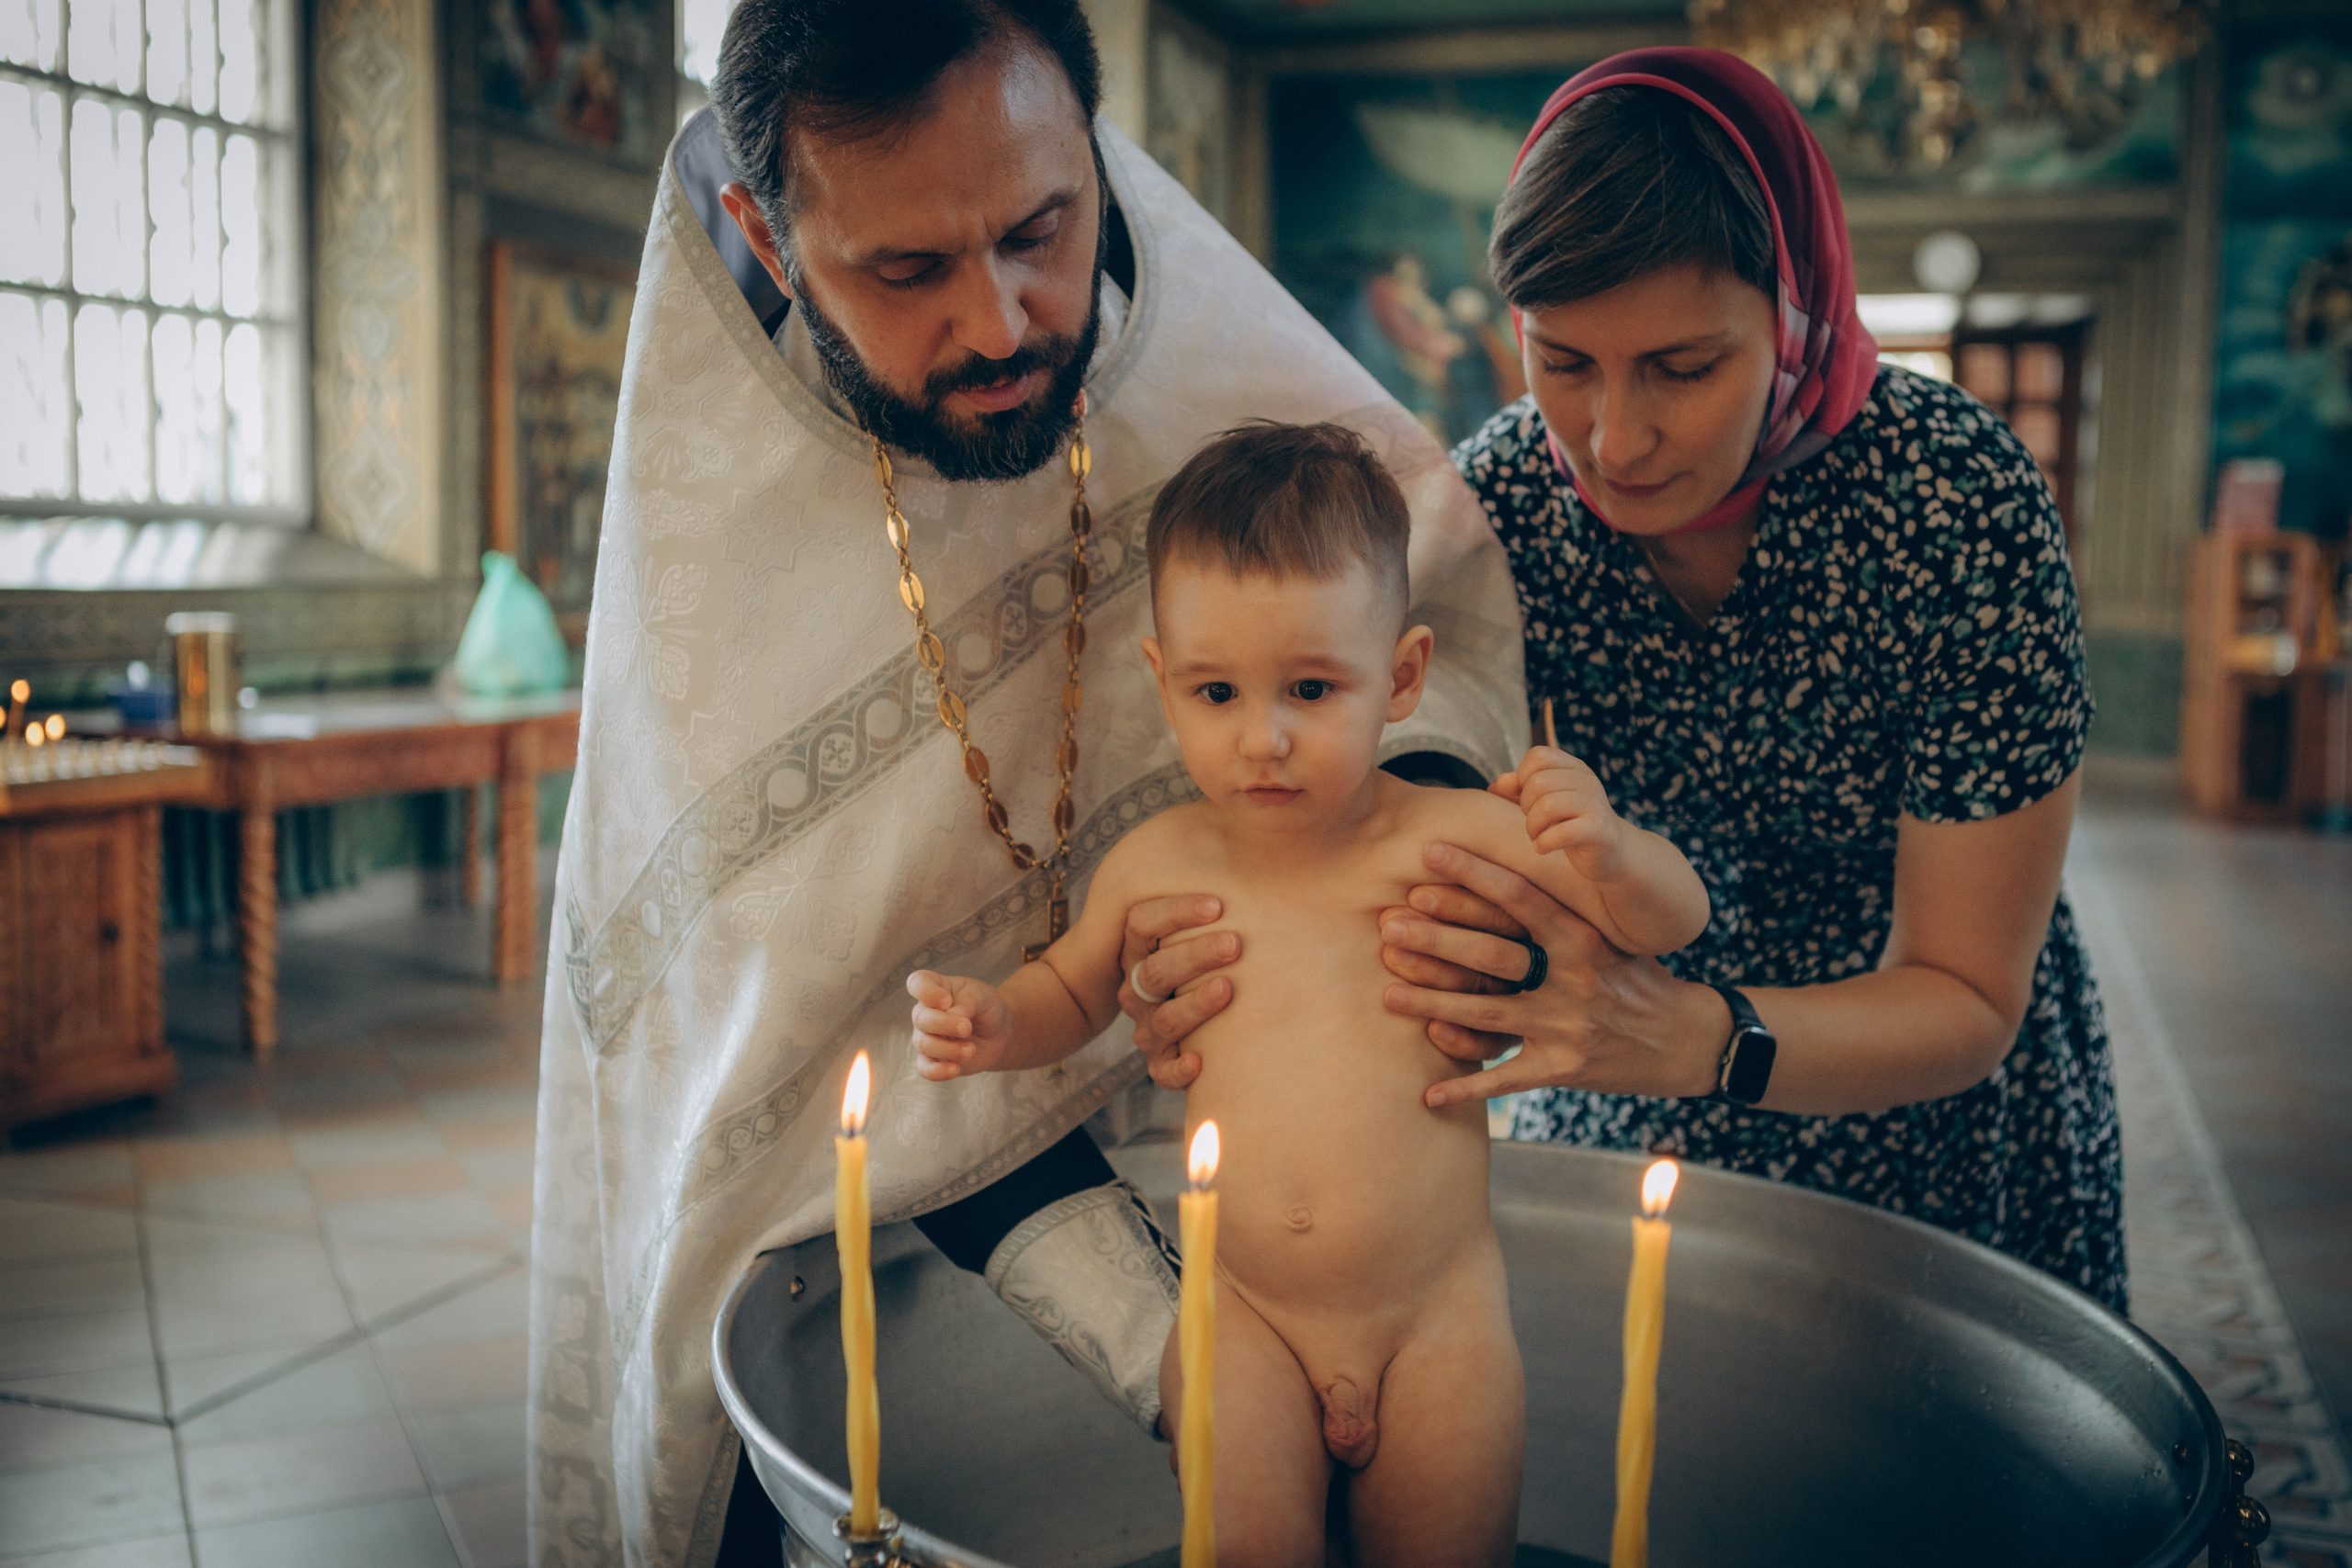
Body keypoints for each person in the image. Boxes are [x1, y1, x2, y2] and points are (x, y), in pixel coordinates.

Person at [523, 3, 1529, 1563]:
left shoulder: (1228, 404)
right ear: (770, 240)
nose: (997, 323)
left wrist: (1411, 863)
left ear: (1096, 163)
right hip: (928, 1295)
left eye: (1039, 231)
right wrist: (1165, 1334)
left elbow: (1436, 637)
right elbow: (801, 1075)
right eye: (906, 270)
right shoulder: (710, 587)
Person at [1357, 48, 2128, 1313]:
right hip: (1623, 1093)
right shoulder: (1499, 506)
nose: (1612, 439)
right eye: (1563, 362)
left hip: (1922, 1124)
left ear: (1795, 315)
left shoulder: (1955, 502)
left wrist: (1694, 1035)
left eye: (1682, 367)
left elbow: (1967, 993)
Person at [909, 423, 1707, 1566]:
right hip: (1244, 1315)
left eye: (1312, 688)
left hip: (1436, 1320)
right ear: (1163, 684)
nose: (1264, 737)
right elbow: (1072, 995)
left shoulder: (1459, 834)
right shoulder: (1157, 861)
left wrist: (1615, 851)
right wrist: (996, 1024)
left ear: (1402, 678)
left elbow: (1672, 924)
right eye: (1217, 692)